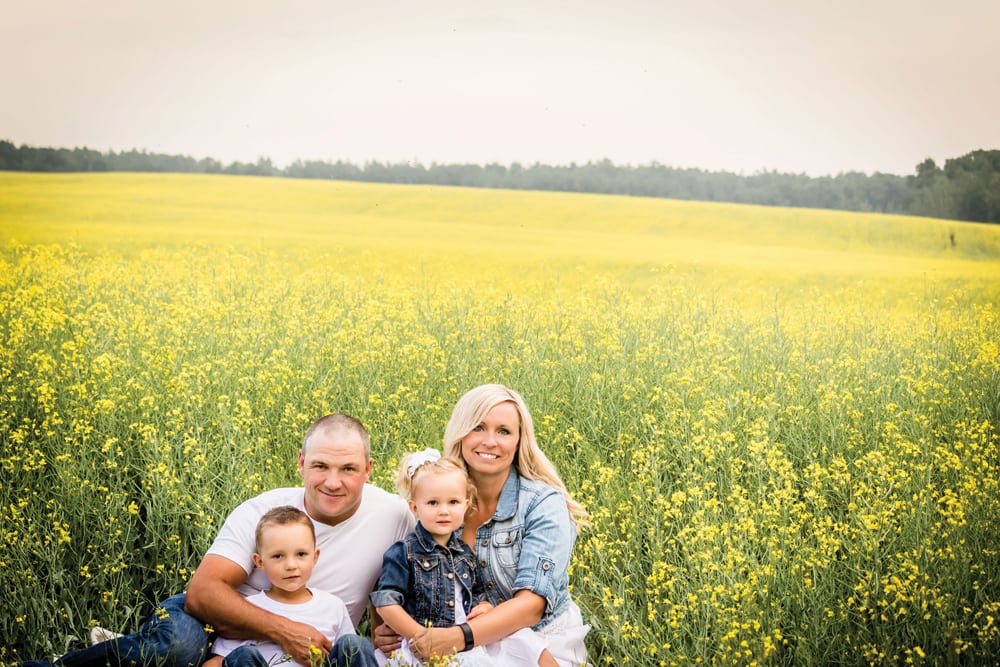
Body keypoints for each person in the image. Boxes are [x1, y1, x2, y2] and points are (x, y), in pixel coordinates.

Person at [24, 413, 414, 667]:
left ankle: (129, 646)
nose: (333, 481)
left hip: (308, 644)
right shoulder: (264, 509)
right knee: (175, 649)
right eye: (320, 466)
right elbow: (203, 594)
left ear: (368, 469)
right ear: (300, 463)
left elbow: (431, 559)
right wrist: (283, 630)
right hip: (220, 621)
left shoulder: (395, 514)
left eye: (348, 468)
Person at [373, 384, 590, 667]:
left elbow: (532, 605)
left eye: (503, 431)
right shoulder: (438, 500)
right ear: (461, 433)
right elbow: (402, 580)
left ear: (518, 441)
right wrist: (393, 631)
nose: (490, 441)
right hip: (458, 644)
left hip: (539, 640)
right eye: (477, 427)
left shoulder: (542, 503)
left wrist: (456, 637)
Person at [370, 449, 557, 667]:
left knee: (524, 640)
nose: (443, 511)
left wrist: (485, 607)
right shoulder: (404, 552)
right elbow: (386, 603)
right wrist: (421, 637)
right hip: (423, 642)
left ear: (466, 505)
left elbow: (476, 593)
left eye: (453, 502)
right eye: (432, 503)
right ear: (414, 507)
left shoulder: (464, 553)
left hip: (461, 636)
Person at [205, 505, 362, 667]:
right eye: (278, 556)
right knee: (244, 655)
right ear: (260, 562)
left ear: (315, 557)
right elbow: (219, 661)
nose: (291, 565)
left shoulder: (332, 606)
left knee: (354, 644)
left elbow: (349, 657)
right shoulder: (250, 609)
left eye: (301, 554)